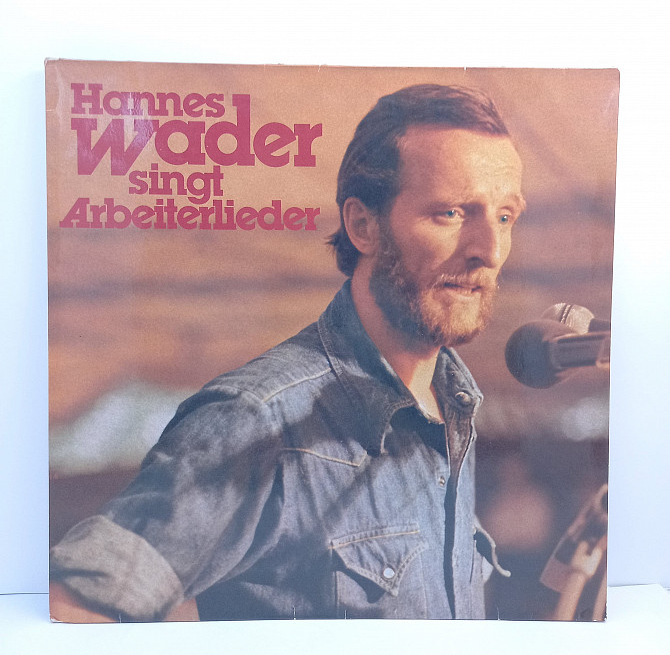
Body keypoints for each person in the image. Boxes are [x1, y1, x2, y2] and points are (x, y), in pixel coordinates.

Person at [50, 83, 525, 622]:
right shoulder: (259, 420)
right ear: (363, 225)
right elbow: (72, 608)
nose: (489, 250)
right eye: (452, 212)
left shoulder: (451, 410)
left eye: (505, 217)